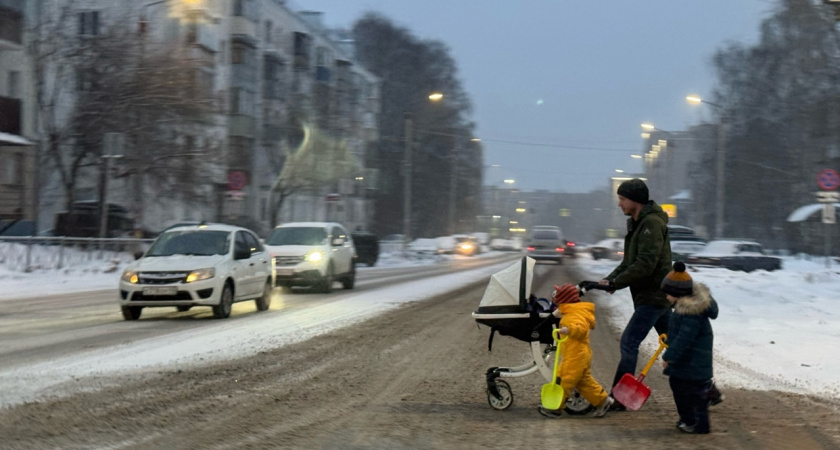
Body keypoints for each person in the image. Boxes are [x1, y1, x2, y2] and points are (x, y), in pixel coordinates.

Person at [598, 178, 673, 410]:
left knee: (629, 343)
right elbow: (628, 262)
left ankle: (619, 398)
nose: (620, 204)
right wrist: (609, 280)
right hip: (654, 295)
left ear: (635, 200)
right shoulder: (638, 223)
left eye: (622, 199)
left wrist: (616, 283)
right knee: (677, 343)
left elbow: (645, 265)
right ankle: (706, 390)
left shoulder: (650, 224)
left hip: (654, 295)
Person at [538, 283, 614, 419]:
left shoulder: (574, 314)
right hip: (578, 354)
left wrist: (569, 330)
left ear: (564, 300)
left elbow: (581, 328)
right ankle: (603, 400)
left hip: (575, 355)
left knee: (564, 380)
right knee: (583, 381)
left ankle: (555, 408)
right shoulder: (574, 311)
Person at [660, 261, 719, 434]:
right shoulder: (684, 309)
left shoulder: (691, 313)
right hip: (689, 363)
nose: (666, 298)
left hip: (692, 364)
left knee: (690, 393)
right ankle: (691, 419)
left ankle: (695, 423)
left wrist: (668, 356)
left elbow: (683, 340)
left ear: (677, 293)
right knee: (686, 389)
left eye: (668, 294)